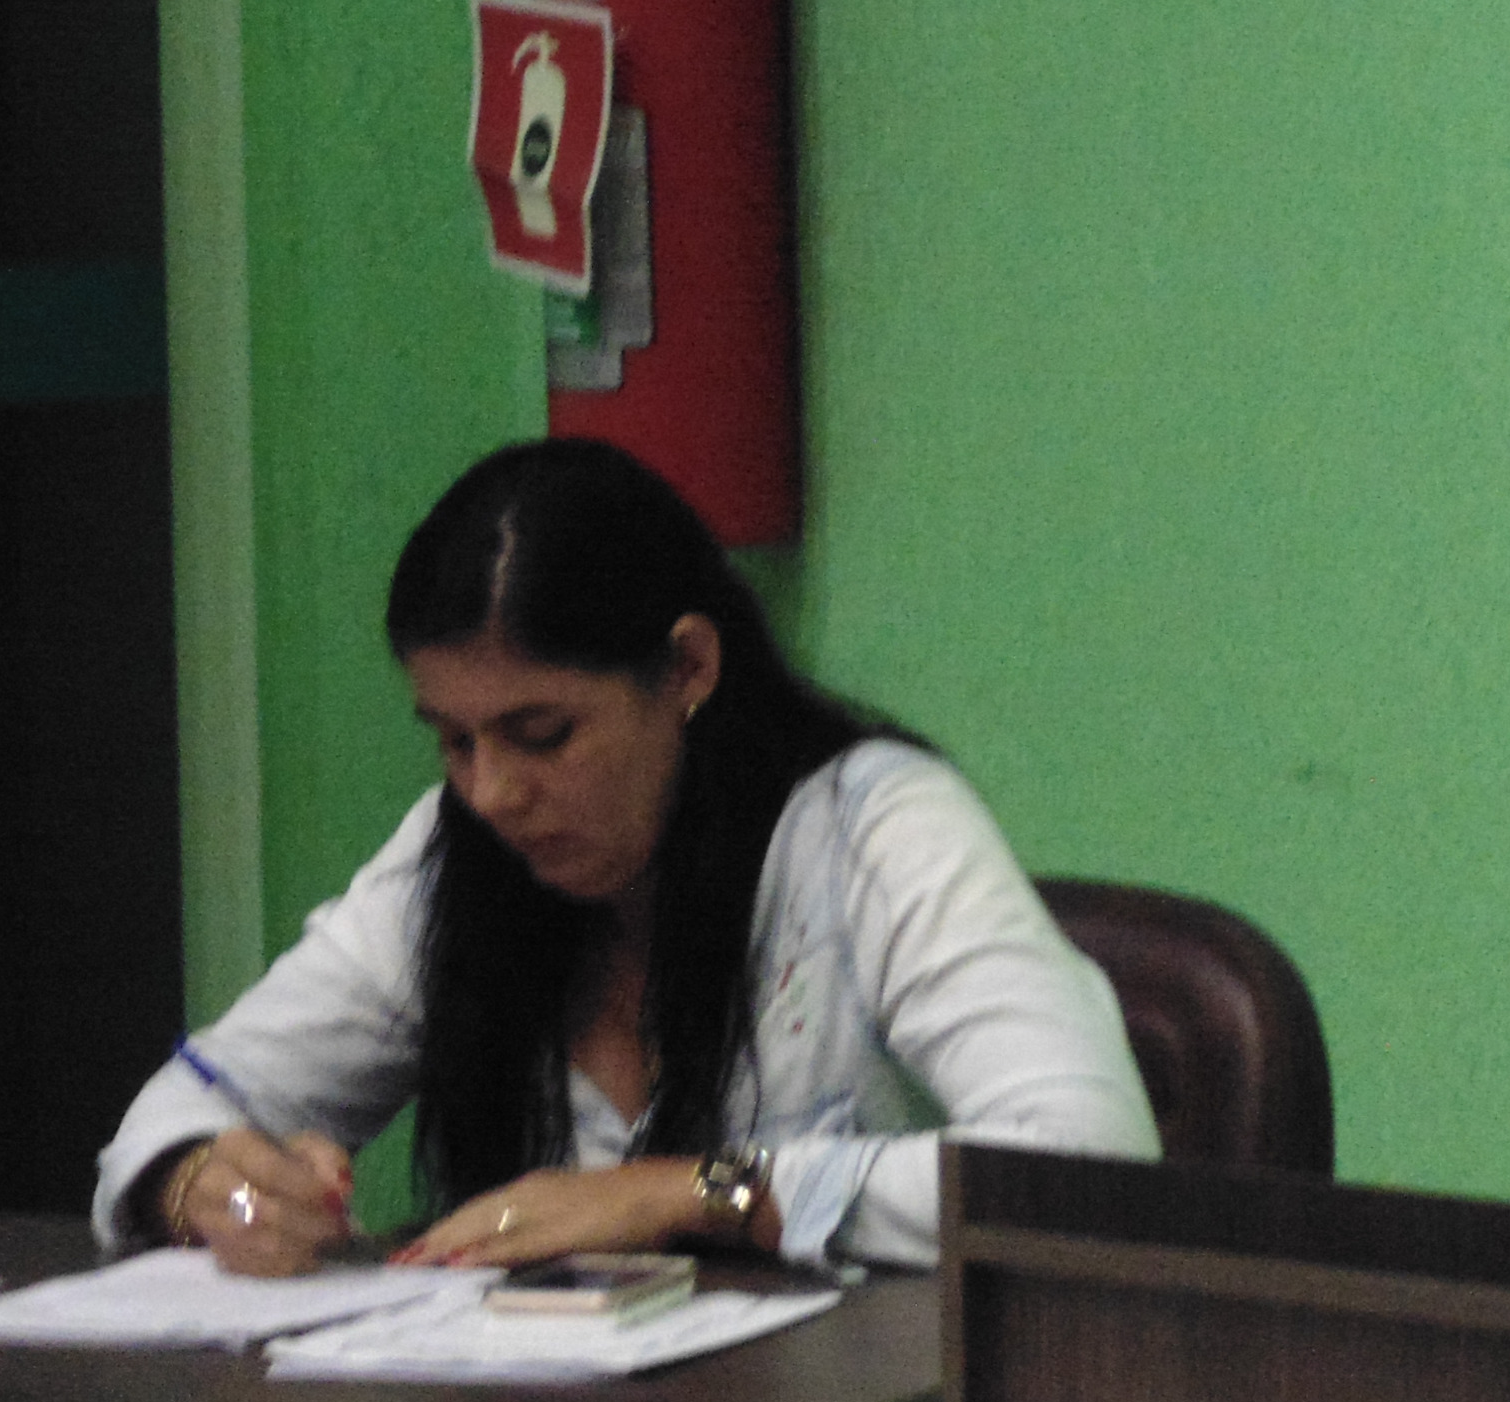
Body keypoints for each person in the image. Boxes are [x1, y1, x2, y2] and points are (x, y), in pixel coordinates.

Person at [95, 439, 1157, 1275]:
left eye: (542, 734)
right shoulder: (450, 858)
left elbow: (1093, 1170)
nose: (491, 793)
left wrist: (695, 1193)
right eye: (454, 741)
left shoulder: (873, 830)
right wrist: (208, 1188)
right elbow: (177, 1116)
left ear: (688, 668)